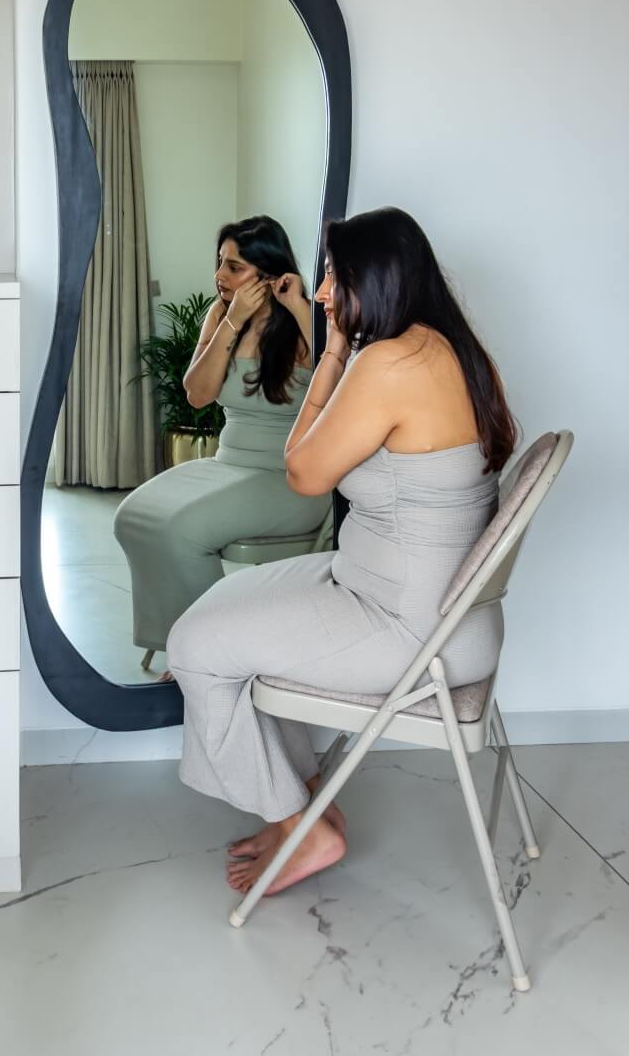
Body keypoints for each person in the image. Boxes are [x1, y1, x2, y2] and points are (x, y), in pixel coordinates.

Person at [166, 207, 517, 897]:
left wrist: (332, 353)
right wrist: (339, 348)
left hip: (411, 627)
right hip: (429, 605)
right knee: (222, 605)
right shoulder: (449, 348)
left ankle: (301, 825)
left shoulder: (389, 362)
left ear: (379, 280)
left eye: (335, 277)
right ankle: (303, 800)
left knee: (193, 647)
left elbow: (302, 472)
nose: (323, 292)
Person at [114, 217, 332, 675]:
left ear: (268, 273)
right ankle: (181, 642)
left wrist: (298, 307)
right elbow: (198, 394)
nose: (220, 275)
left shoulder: (305, 321)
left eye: (234, 267)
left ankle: (210, 655)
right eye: (220, 263)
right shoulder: (220, 315)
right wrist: (230, 323)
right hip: (228, 463)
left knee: (180, 528)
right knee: (133, 517)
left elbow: (339, 383)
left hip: (288, 479)